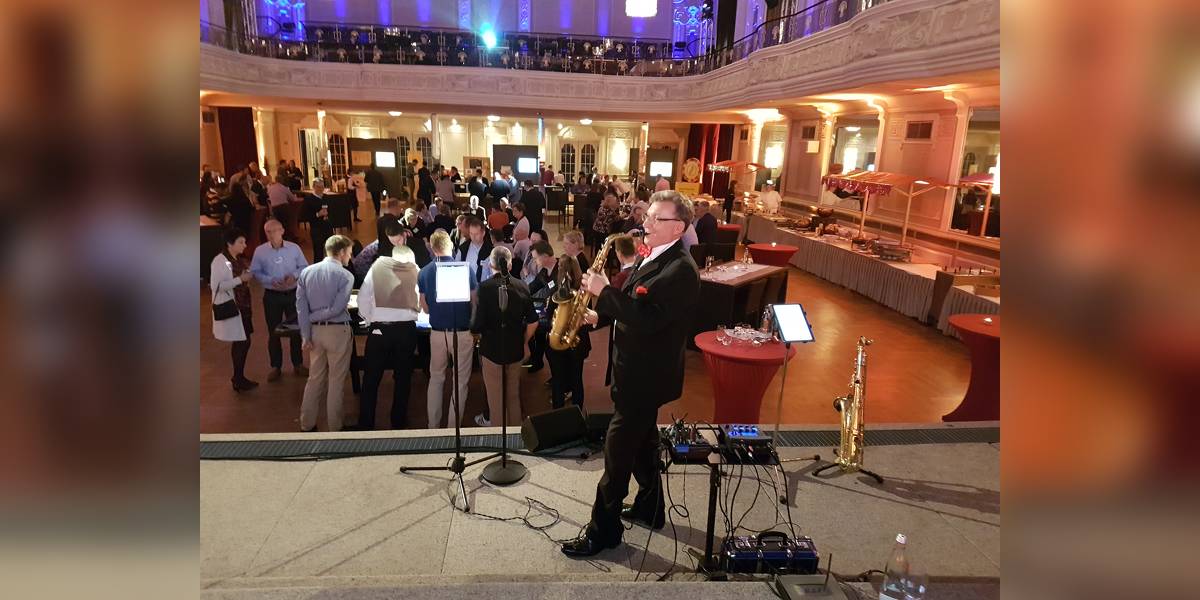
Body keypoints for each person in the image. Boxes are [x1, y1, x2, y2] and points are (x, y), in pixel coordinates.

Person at [560, 191, 700, 558]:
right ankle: (650, 508)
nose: (645, 223)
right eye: (648, 215)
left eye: (656, 218)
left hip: (646, 377)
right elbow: (634, 305)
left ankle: (603, 532)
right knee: (644, 442)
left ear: (679, 228)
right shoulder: (652, 253)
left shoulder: (681, 270)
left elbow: (649, 320)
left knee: (617, 453)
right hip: (633, 368)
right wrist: (599, 315)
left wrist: (604, 291)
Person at [471, 246, 539, 428]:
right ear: (509, 265)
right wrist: (524, 341)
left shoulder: (484, 288)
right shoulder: (522, 286)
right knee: (513, 396)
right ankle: (516, 435)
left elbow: (476, 325)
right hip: (515, 350)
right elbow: (533, 321)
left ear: (490, 265)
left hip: (492, 351)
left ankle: (499, 439)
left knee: (496, 400)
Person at [356, 243, 421, 430]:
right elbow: (421, 299)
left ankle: (366, 423)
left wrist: (371, 320)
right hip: (406, 330)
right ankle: (398, 421)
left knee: (371, 378)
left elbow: (363, 298)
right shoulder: (415, 270)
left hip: (380, 330)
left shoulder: (377, 268)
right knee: (403, 378)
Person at [419, 230, 478, 429]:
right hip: (461, 332)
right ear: (451, 246)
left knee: (436, 378)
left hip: (437, 333)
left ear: (432, 248)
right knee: (460, 382)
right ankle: (454, 429)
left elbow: (425, 308)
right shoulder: (465, 269)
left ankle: (433, 427)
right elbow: (474, 301)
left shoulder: (424, 272)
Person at [296, 234, 356, 432]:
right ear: (341, 252)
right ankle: (335, 426)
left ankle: (306, 424)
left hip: (315, 332)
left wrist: (306, 333)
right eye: (349, 252)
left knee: (314, 379)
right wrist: (315, 316)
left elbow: (301, 308)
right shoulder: (346, 276)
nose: (350, 256)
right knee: (336, 380)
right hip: (338, 331)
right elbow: (338, 308)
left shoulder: (306, 272)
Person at [250, 219, 310, 381]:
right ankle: (276, 366)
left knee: (295, 329)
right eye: (268, 232)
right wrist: (270, 280)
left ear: (282, 231)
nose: (271, 235)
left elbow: (304, 266)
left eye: (274, 231)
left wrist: (294, 276)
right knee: (273, 331)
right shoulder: (260, 251)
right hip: (272, 295)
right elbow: (255, 271)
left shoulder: (294, 248)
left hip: (292, 294)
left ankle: (298, 363)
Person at [210, 228, 258, 392]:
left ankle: (239, 377)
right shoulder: (220, 261)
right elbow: (216, 286)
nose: (244, 245)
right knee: (241, 341)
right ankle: (238, 378)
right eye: (241, 242)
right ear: (230, 244)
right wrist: (240, 279)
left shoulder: (236, 259)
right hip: (234, 306)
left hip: (243, 305)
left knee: (244, 341)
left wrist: (245, 278)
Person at [545, 254, 591, 410]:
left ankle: (558, 412)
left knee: (558, 380)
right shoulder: (584, 290)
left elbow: (549, 314)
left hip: (559, 342)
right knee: (577, 379)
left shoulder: (558, 292)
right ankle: (578, 412)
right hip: (578, 341)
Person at [523, 240, 558, 376]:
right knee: (532, 327)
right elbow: (532, 287)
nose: (534, 261)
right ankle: (537, 359)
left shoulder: (560, 271)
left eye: (536, 258)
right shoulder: (544, 271)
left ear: (545, 256)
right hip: (545, 310)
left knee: (552, 351)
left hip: (556, 315)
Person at [302, 179, 334, 261]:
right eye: (318, 187)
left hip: (328, 228)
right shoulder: (308, 199)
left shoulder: (326, 197)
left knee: (331, 251)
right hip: (316, 229)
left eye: (322, 187)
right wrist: (318, 214)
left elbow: (332, 211)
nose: (320, 189)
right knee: (318, 252)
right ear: (313, 187)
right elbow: (304, 216)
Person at [456, 216, 494, 282]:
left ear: (483, 233)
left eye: (476, 234)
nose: (473, 237)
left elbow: (493, 274)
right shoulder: (463, 249)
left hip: (484, 286)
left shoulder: (491, 250)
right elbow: (457, 267)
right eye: (471, 233)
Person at [266, 174, 298, 240]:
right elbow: (293, 199)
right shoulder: (284, 188)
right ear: (282, 180)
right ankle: (288, 238)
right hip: (284, 207)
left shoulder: (270, 188)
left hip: (274, 209)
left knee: (278, 223)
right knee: (286, 224)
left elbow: (269, 197)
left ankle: (280, 238)